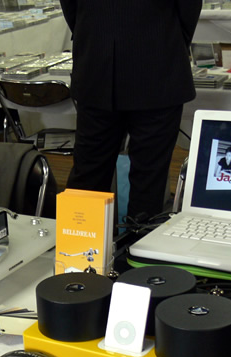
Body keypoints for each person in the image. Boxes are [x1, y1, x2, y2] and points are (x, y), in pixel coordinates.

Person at [59, 1, 202, 220]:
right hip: (156, 64)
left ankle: (79, 238)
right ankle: (136, 240)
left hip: (99, 63)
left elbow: (71, 9)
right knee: (148, 178)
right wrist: (167, 38)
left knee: (89, 171)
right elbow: (188, 9)